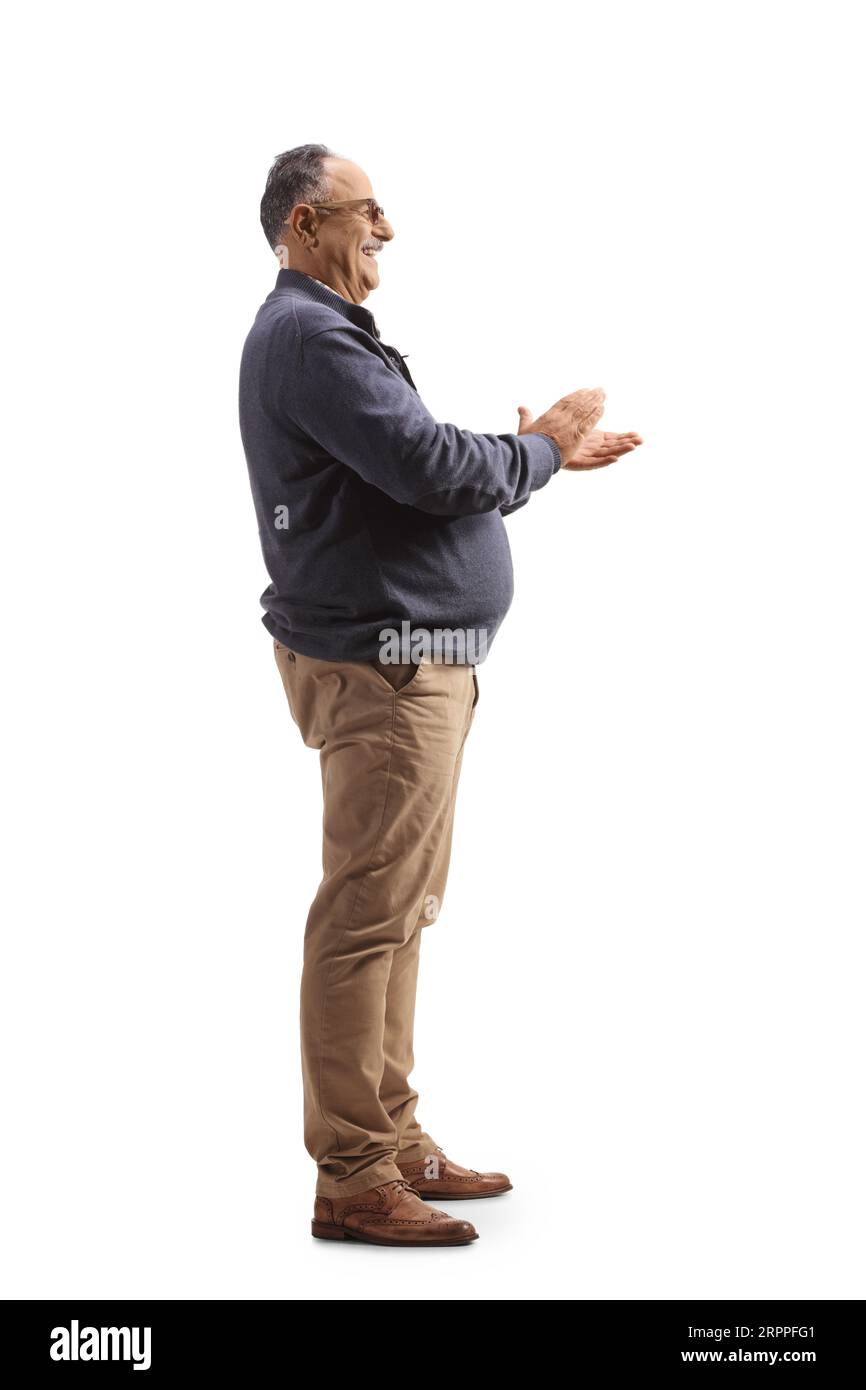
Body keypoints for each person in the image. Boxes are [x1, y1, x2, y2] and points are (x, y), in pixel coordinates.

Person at [239, 144, 643, 1247]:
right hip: (385, 668)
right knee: (365, 918)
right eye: (369, 211)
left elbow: (421, 473)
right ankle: (354, 1173)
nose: (387, 229)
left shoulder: (324, 337)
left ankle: (392, 1135)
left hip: (414, 661)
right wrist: (535, 449)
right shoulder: (309, 337)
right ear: (307, 222)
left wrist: (525, 459)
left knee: (399, 914)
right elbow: (433, 468)